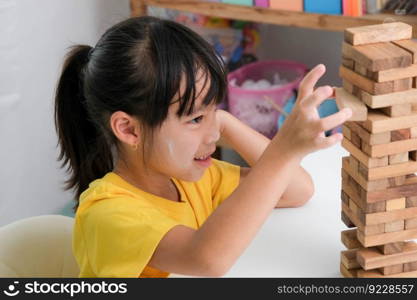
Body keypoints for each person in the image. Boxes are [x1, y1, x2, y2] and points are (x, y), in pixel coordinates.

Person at [54, 16, 351, 278]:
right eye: (195, 118)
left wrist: (225, 121)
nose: (212, 134)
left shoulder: (193, 177)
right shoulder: (107, 212)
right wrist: (284, 149)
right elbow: (207, 259)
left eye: (214, 109)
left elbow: (297, 190)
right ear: (130, 129)